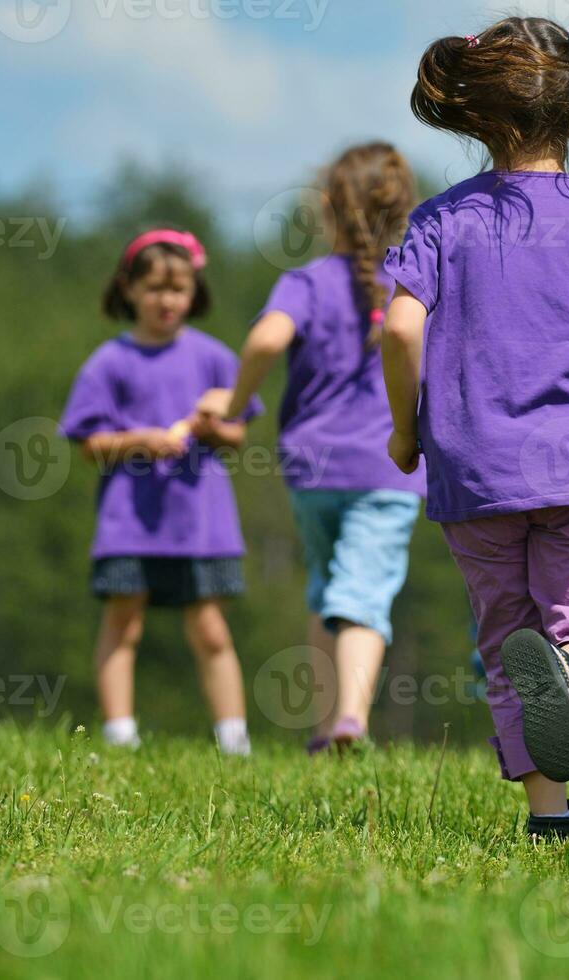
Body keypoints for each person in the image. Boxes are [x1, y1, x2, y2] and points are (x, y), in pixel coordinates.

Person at [380, 12, 569, 840]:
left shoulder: (442, 220)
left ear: (479, 115)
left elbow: (401, 329)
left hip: (471, 470)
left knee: (506, 642)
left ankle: (550, 822)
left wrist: (407, 428)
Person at [199, 143, 425, 753]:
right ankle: (351, 718)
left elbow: (267, 339)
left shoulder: (305, 282)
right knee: (364, 595)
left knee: (328, 590)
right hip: (388, 466)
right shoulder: (413, 284)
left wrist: (235, 401)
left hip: (312, 468)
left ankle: (324, 731)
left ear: (326, 209)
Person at [60, 229, 262, 757]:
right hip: (130, 521)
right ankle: (120, 736)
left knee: (212, 630)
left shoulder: (215, 358)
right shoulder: (109, 362)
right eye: (154, 288)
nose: (167, 300)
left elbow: (238, 433)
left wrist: (211, 429)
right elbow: (89, 443)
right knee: (123, 624)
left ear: (194, 293)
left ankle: (233, 741)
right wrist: (140, 442)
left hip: (199, 523)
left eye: (179, 289)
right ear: (128, 290)